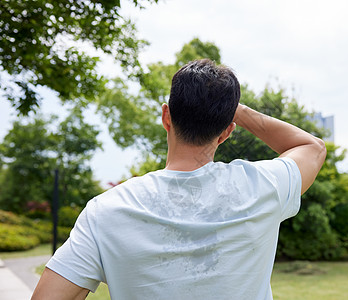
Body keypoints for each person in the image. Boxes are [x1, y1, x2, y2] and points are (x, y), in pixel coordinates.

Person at [32, 59, 326, 300]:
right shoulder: (263, 186)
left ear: (166, 117)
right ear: (226, 132)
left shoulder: (106, 210)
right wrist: (233, 109)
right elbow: (312, 147)